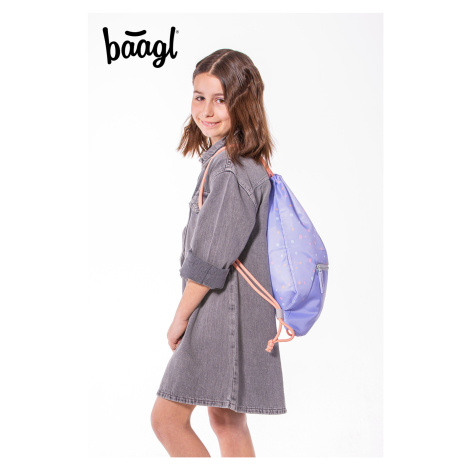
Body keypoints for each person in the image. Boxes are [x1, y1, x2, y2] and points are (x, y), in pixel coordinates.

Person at [150, 49, 286, 458]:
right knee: (228, 422)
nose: (206, 111)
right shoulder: (242, 163)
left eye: (220, 99)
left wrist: (180, 317)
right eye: (199, 97)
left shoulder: (230, 170)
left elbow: (210, 262)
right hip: (239, 313)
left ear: (243, 104)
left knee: (166, 420)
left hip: (221, 313)